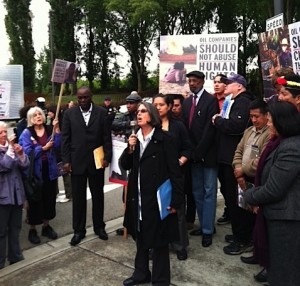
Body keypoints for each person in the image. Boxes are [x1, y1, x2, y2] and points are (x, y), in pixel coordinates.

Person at [120, 102, 184, 286]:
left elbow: (175, 172)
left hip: (156, 198)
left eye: (143, 111)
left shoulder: (166, 139)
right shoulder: (135, 139)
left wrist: (176, 200)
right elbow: (124, 165)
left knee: (159, 241)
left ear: (152, 116)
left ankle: (161, 280)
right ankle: (141, 273)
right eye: (137, 112)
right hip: (137, 196)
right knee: (140, 236)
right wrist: (129, 149)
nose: (138, 114)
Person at [244, 101, 300, 286]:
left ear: (283, 122)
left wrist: (249, 195)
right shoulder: (280, 142)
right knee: (278, 266)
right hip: (278, 216)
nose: (268, 124)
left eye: (271, 120)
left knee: (285, 271)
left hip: (287, 220)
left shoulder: (291, 147)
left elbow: (274, 189)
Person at [61, 87, 112, 246]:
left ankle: (99, 227)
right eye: (80, 98)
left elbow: (106, 137)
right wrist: (66, 161)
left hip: (97, 161)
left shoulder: (102, 113)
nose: (82, 100)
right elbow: (65, 139)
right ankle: (78, 231)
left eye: (85, 97)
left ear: (91, 97)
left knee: (98, 196)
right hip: (77, 162)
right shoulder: (69, 114)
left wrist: (107, 157)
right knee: (78, 199)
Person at [212, 73, 254, 254]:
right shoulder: (233, 101)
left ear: (239, 86)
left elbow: (235, 126)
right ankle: (239, 233)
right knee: (231, 198)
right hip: (227, 156)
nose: (225, 85)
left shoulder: (243, 102)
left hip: (234, 159)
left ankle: (243, 238)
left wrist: (217, 120)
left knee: (237, 200)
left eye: (229, 83)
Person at [182, 70, 219, 247]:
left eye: (195, 81)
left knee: (209, 192)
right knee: (197, 192)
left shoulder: (211, 101)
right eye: (190, 81)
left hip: (208, 155)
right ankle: (206, 224)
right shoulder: (187, 102)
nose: (192, 84)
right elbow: (184, 128)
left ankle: (207, 231)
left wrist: (199, 151)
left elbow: (209, 130)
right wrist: (190, 152)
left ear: (203, 82)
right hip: (193, 156)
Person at [229, 99, 270, 257]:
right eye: (251, 116)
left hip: (256, 180)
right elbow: (238, 151)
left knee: (254, 215)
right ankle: (243, 239)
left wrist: (242, 171)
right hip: (242, 177)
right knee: (241, 210)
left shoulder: (269, 134)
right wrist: (237, 168)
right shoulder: (249, 131)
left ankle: (251, 243)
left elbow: (262, 160)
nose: (253, 120)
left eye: (257, 116)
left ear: (266, 115)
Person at [153, 94, 191, 260]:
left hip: (174, 175)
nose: (158, 107)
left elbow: (188, 148)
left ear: (169, 107)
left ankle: (180, 245)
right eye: (155, 104)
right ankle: (156, 245)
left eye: (161, 104)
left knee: (176, 211)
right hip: (155, 176)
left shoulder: (178, 126)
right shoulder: (148, 126)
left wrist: (180, 161)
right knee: (156, 212)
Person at [20, 106, 61, 244]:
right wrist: (43, 149)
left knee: (49, 198)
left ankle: (46, 226)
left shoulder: (50, 129)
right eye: (34, 115)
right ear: (30, 119)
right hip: (34, 173)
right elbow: (26, 152)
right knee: (35, 200)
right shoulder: (27, 133)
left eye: (39, 114)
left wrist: (57, 130)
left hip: (49, 170)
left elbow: (58, 146)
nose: (38, 116)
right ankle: (32, 229)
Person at [111, 91, 142, 236]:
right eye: (127, 103)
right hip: (127, 155)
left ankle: (138, 223)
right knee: (127, 194)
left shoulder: (144, 115)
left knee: (139, 193)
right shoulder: (125, 116)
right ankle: (127, 224)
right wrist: (130, 123)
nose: (129, 105)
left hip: (141, 157)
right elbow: (114, 124)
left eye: (132, 103)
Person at [0, 122, 29, 269]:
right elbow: (4, 165)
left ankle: (15, 257)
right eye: (1, 133)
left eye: (5, 132)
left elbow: (25, 166)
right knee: (1, 231)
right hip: (2, 198)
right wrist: (12, 149)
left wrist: (21, 154)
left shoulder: (10, 148)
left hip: (17, 195)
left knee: (15, 228)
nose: (4, 135)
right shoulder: (7, 149)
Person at [213, 74, 231, 225]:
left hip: (228, 146)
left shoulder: (230, 101)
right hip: (214, 146)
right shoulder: (210, 99)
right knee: (222, 182)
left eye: (220, 82)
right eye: (215, 82)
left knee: (229, 182)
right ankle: (229, 207)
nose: (216, 85)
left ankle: (231, 209)